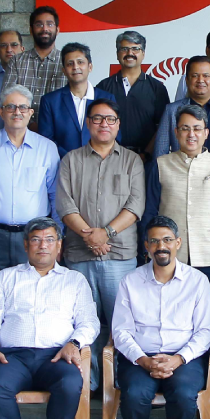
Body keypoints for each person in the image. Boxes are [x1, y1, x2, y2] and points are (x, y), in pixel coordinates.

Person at [0, 218, 98, 419]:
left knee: (70, 384)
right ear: (26, 245)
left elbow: (90, 322)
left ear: (59, 245)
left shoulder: (74, 280)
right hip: (12, 356)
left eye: (49, 240)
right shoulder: (6, 278)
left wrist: (74, 343)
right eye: (36, 240)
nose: (43, 245)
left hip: (56, 355)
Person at [111, 217, 210, 419]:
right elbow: (121, 331)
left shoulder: (198, 281)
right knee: (134, 394)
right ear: (146, 246)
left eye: (167, 239)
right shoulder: (130, 281)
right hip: (140, 357)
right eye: (155, 240)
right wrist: (143, 360)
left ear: (178, 243)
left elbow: (205, 331)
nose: (162, 246)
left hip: (184, 358)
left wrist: (179, 359)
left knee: (182, 394)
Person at [56, 99, 143, 383]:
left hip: (119, 255)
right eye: (97, 119)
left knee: (122, 322)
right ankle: (90, 381)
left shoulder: (132, 160)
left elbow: (135, 205)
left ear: (118, 124)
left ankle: (119, 380)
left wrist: (106, 233)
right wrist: (90, 237)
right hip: (80, 255)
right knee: (83, 322)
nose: (103, 124)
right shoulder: (71, 160)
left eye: (110, 119)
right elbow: (65, 204)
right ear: (87, 123)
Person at [0, 86, 61, 291]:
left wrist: (57, 241)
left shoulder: (47, 148)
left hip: (35, 236)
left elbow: (56, 199)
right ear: (0, 112)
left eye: (23, 107)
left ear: (31, 113)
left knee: (32, 297)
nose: (17, 112)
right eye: (11, 107)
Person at [144, 104, 210, 309]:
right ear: (176, 132)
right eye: (185, 128)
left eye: (197, 128)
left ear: (206, 133)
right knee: (170, 314)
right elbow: (150, 211)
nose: (191, 134)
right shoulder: (161, 165)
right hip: (169, 257)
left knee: (208, 317)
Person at [94, 30, 170, 155]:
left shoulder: (157, 88)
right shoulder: (103, 87)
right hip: (110, 157)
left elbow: (163, 127)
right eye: (124, 49)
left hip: (146, 159)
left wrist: (146, 154)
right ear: (117, 54)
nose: (130, 53)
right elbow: (96, 124)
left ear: (143, 54)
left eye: (135, 49)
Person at [37, 42, 116, 155]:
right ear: (64, 70)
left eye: (80, 62)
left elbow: (115, 135)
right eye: (70, 64)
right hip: (63, 165)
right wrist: (71, 160)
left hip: (100, 165)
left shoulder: (107, 98)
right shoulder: (50, 101)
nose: (75, 67)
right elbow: (46, 140)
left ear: (90, 67)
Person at [4, 6, 66, 97]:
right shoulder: (17, 61)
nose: (45, 29)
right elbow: (7, 97)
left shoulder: (66, 62)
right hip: (20, 111)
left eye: (50, 24)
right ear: (31, 30)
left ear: (57, 30)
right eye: (39, 25)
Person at [0, 30, 24, 119]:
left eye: (14, 45)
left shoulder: (30, 74)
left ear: (22, 50)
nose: (9, 50)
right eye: (3, 45)